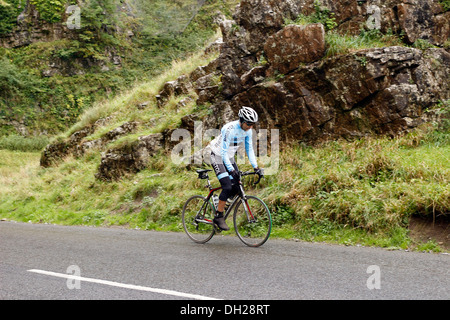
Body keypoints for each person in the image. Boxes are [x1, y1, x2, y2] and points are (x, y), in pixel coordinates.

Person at [208, 106, 263, 230]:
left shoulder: (248, 131)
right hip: (217, 156)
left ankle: (221, 202)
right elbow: (223, 153)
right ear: (242, 121)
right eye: (249, 124)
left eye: (253, 124)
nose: (251, 127)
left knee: (237, 186)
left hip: (229, 158)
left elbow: (249, 149)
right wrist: (231, 170)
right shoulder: (229, 129)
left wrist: (256, 167)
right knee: (227, 186)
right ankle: (218, 216)